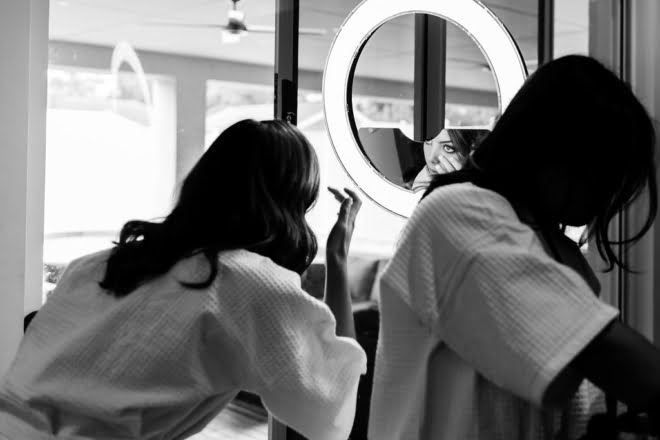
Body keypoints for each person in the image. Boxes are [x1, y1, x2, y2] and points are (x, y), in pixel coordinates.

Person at [0, 119, 367, 440]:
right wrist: (337, 258)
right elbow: (332, 411)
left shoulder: (99, 264)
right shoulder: (249, 284)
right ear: (295, 200)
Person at [369, 55, 660, 439]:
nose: (608, 194)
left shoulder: (539, 236)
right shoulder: (458, 214)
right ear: (555, 149)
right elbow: (589, 354)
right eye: (603, 173)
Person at [410, 128, 489, 191]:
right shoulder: (416, 184)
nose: (431, 158)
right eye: (428, 141)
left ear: (473, 152)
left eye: (448, 148)